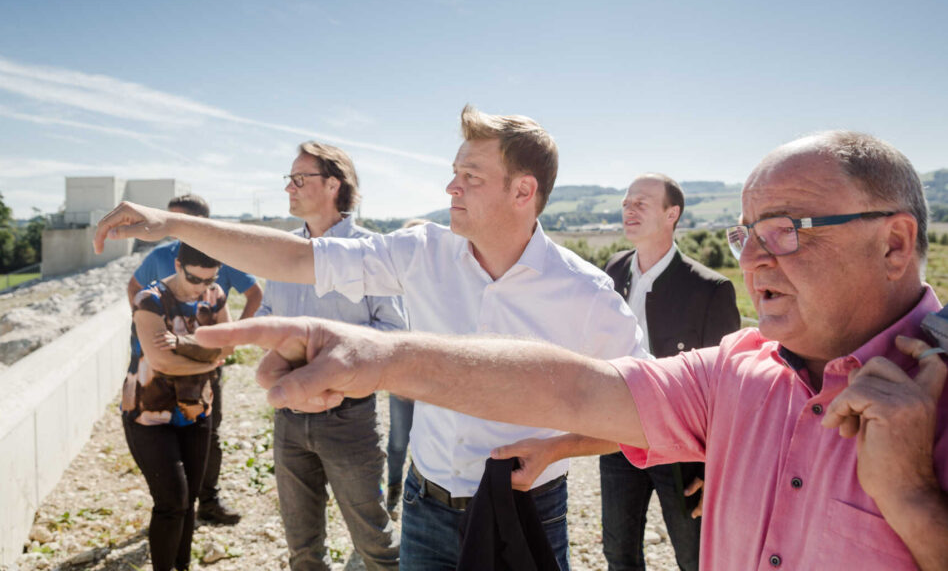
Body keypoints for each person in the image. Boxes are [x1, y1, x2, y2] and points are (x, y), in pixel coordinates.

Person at [178, 131, 948, 571]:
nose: (753, 258)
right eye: (748, 232)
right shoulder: (735, 375)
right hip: (430, 499)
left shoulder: (937, 397)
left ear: (894, 242)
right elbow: (582, 390)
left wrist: (915, 502)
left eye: (788, 229)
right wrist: (376, 359)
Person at [94, 105, 647, 571]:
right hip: (425, 505)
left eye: (470, 177)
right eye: (454, 171)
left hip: (527, 508)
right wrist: (175, 224)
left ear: (524, 190)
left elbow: (648, 408)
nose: (450, 186)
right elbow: (294, 256)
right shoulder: (421, 251)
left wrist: (559, 447)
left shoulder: (586, 293)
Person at [256, 142, 403, 571]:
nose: (289, 187)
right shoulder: (281, 250)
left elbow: (394, 333)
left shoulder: (372, 251)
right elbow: (267, 315)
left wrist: (325, 359)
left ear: (334, 184)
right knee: (302, 549)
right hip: (287, 418)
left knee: (375, 543)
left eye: (299, 178)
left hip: (350, 419)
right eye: (289, 178)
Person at [600, 174, 739, 570]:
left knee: (694, 557)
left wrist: (718, 465)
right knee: (618, 553)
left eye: (642, 202)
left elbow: (727, 387)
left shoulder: (710, 288)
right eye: (627, 202)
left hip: (682, 445)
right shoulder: (613, 269)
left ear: (671, 214)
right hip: (617, 435)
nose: (630, 208)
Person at [126, 193, 263, 526]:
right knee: (162, 431)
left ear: (201, 221)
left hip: (206, 361)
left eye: (178, 220)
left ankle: (208, 501)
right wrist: (147, 324)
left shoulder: (223, 256)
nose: (170, 227)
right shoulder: (161, 255)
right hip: (156, 362)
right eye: (168, 219)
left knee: (208, 431)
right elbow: (133, 288)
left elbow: (255, 294)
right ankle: (174, 503)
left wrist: (233, 335)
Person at [123, 243, 233, 571]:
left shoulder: (214, 295)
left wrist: (185, 346)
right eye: (195, 279)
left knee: (189, 503)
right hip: (148, 413)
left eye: (210, 279)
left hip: (197, 409)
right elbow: (162, 363)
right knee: (171, 503)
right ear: (177, 264)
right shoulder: (150, 300)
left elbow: (228, 346)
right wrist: (209, 360)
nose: (202, 288)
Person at [385, 217, 428, 520]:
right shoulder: (393, 290)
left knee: (431, 441)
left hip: (435, 385)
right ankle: (393, 490)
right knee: (399, 440)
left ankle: (422, 499)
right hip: (403, 381)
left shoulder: (440, 288)